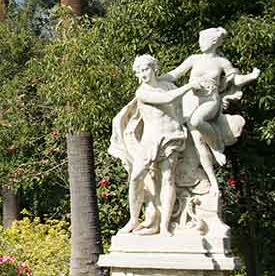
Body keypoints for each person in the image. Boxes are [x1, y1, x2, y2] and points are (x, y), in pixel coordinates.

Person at [159, 27, 259, 195]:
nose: (200, 44)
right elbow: (175, 74)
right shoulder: (194, 59)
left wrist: (251, 76)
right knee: (198, 142)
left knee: (196, 121)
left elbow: (235, 79)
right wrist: (156, 81)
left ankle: (217, 146)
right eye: (199, 40)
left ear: (213, 42)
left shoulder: (222, 62)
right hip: (190, 100)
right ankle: (213, 184)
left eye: (203, 40)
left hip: (210, 101)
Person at [110, 55, 199, 236]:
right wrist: (190, 85)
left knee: (168, 178)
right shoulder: (142, 92)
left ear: (154, 68)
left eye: (146, 69)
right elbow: (167, 99)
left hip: (171, 136)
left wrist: (197, 59)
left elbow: (178, 71)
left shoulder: (166, 83)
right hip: (150, 140)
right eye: (139, 71)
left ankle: (164, 226)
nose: (143, 74)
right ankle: (133, 219)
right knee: (136, 177)